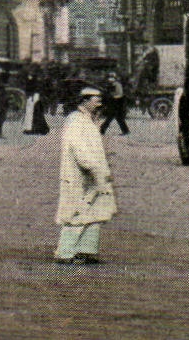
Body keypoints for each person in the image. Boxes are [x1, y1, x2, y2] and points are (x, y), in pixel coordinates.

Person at [56, 87, 117, 265]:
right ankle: (65, 252)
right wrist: (90, 166)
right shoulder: (75, 120)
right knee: (76, 211)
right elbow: (77, 147)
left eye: (99, 98)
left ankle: (86, 250)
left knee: (95, 211)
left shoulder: (87, 119)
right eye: (95, 98)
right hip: (81, 174)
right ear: (84, 101)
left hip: (93, 173)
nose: (99, 101)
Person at [99, 71, 130, 136]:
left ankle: (102, 130)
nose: (110, 79)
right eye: (109, 77)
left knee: (112, 118)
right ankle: (125, 131)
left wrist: (112, 96)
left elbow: (120, 94)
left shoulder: (117, 85)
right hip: (112, 103)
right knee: (116, 118)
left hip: (118, 103)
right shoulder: (109, 85)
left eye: (112, 77)